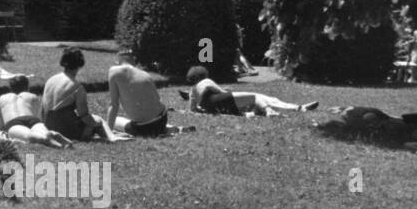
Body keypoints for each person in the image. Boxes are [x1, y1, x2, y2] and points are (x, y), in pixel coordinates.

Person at [41, 47, 120, 141]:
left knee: (95, 122)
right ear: (80, 64)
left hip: (49, 127)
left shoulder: (50, 80)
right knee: (98, 119)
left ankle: (110, 134)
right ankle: (112, 137)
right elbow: (85, 116)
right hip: (68, 131)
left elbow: (43, 109)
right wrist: (99, 123)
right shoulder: (77, 87)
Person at [184, 66, 318, 116]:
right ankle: (271, 111)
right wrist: (227, 90)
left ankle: (298, 107)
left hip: (215, 108)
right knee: (255, 96)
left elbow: (193, 109)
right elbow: (220, 92)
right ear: (203, 74)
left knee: (259, 100)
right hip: (220, 100)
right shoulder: (206, 81)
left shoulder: (192, 90)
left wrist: (205, 111)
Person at [0, 75, 74, 148]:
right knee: (42, 131)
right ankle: (51, 134)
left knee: (28, 136)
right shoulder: (32, 96)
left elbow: (2, 126)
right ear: (27, 86)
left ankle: (47, 140)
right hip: (32, 119)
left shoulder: (2, 98)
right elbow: (39, 117)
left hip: (13, 122)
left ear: (10, 87)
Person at [105, 57, 171, 136]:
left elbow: (114, 105)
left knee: (116, 121)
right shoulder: (145, 74)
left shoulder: (114, 71)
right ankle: (166, 128)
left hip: (144, 127)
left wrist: (108, 132)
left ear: (118, 60)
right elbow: (156, 98)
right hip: (162, 120)